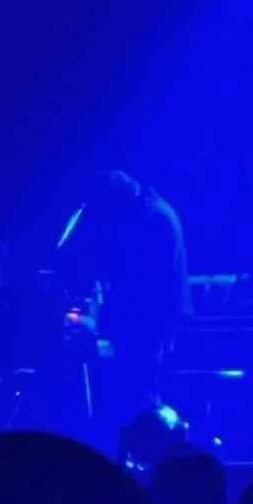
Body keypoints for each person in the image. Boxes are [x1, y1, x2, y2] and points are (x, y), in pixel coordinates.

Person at [56, 170, 191, 450]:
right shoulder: (146, 212)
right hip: (149, 316)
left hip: (152, 319)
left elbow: (138, 279)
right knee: (137, 385)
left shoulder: (151, 220)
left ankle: (151, 452)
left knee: (140, 388)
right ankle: (141, 449)